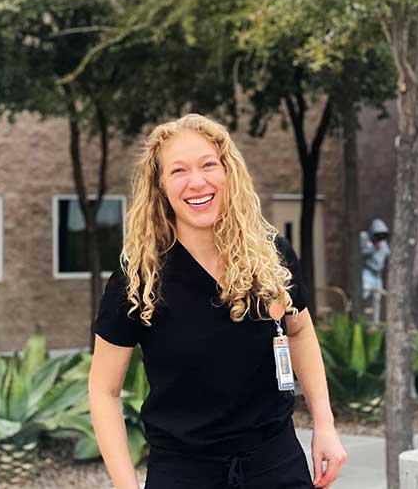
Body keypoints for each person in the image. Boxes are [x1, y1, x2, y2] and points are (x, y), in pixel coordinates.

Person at [88, 113, 347, 489]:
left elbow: (300, 331)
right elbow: (104, 391)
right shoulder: (138, 278)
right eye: (178, 171)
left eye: (209, 165)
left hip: (275, 465)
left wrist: (324, 424)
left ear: (229, 173)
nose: (197, 181)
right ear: (160, 187)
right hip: (184, 472)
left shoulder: (271, 255)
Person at [359, 219, 390, 326]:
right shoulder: (364, 238)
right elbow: (362, 252)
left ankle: (375, 325)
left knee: (377, 299)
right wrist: (373, 249)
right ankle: (357, 319)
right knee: (364, 293)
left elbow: (387, 254)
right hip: (367, 271)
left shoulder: (383, 243)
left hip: (378, 274)